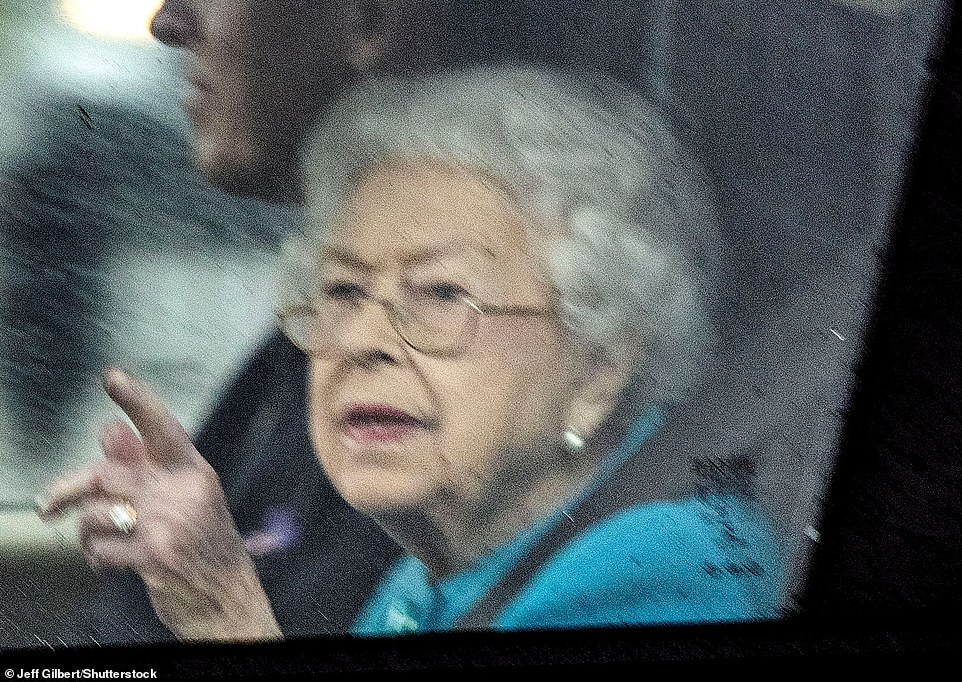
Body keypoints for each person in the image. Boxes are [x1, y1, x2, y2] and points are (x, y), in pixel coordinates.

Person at [40, 66, 782, 639]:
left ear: (600, 367)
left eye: (440, 294)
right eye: (342, 293)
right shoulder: (430, 578)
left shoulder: (663, 573)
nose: (360, 341)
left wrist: (228, 618)